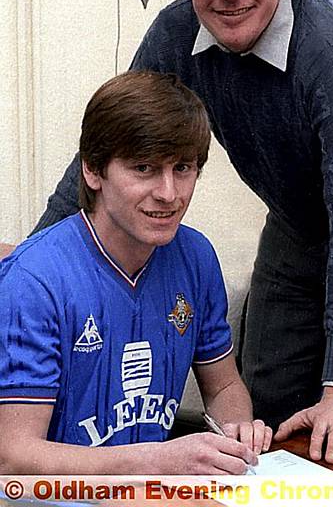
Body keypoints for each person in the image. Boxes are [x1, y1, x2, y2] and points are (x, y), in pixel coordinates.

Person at [29, 0, 333, 465]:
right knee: (262, 427)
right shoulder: (177, 31)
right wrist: (30, 270)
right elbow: (107, 147)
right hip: (295, 226)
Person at [0, 70, 272, 474]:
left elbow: (225, 385)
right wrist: (157, 461)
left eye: (183, 168)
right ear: (93, 171)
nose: (168, 193)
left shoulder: (195, 256)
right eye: (143, 168)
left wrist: (235, 430)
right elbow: (13, 457)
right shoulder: (34, 280)